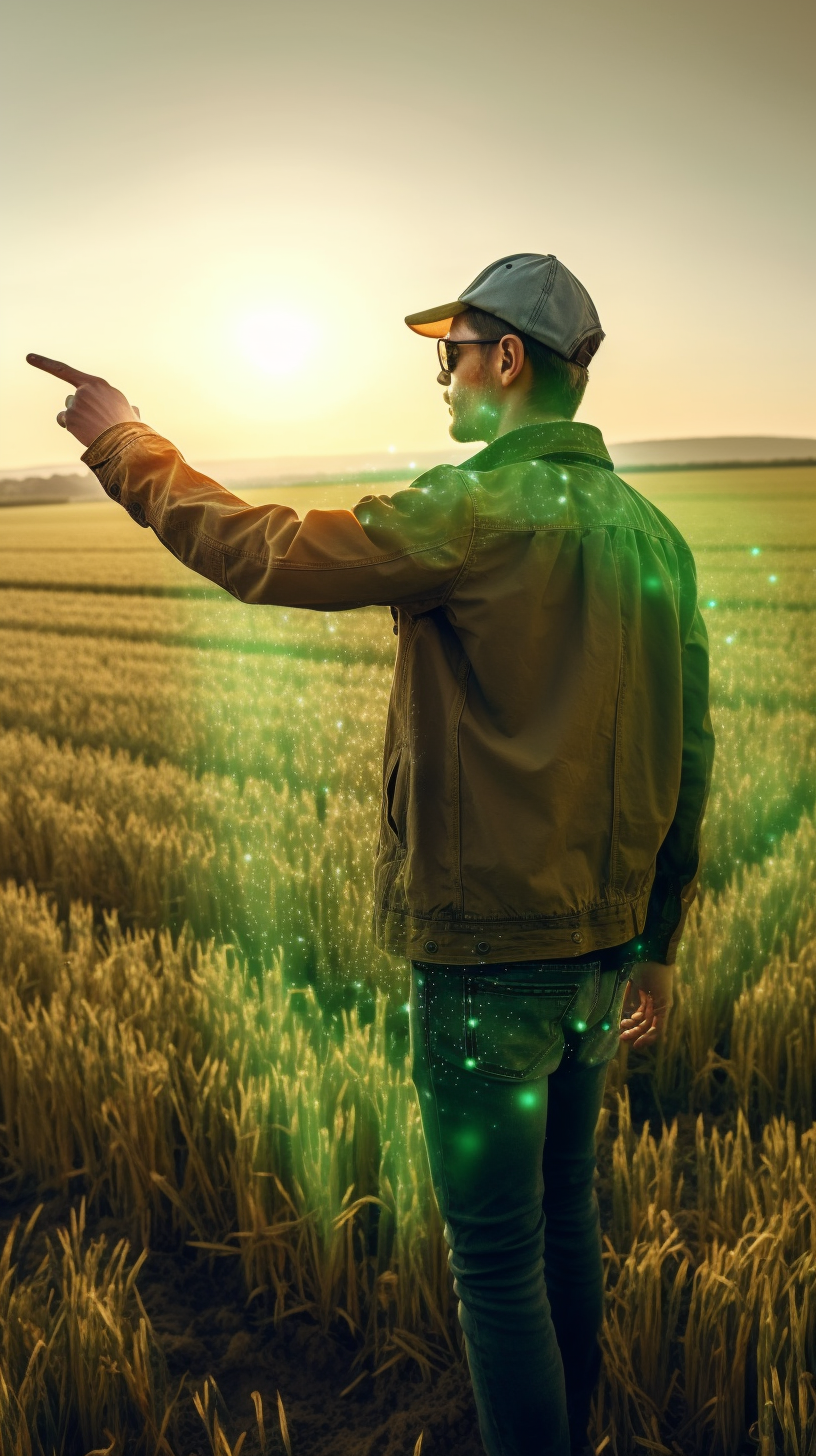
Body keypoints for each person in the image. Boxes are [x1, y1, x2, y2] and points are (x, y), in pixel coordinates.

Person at [27, 251, 715, 1456]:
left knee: (495, 1264)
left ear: (505, 360)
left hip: (487, 966)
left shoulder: (481, 508)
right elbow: (691, 750)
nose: (439, 376)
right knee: (567, 1221)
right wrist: (657, 940)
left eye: (449, 352)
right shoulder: (656, 535)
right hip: (604, 958)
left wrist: (125, 441)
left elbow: (265, 551)